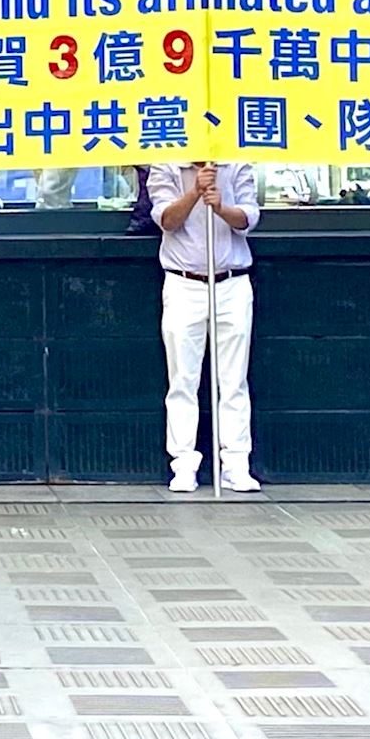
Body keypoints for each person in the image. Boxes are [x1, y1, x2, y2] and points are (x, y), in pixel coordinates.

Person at [148, 161, 261, 493]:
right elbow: (167, 220)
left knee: (233, 380)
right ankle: (183, 463)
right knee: (183, 379)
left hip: (232, 281)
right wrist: (195, 192)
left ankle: (236, 463)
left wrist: (221, 207)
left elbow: (249, 218)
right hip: (184, 283)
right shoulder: (166, 166)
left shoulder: (236, 164)